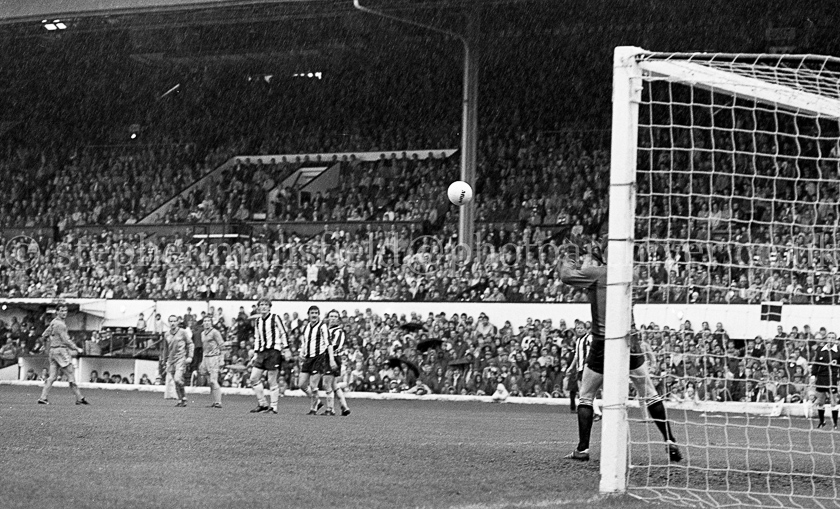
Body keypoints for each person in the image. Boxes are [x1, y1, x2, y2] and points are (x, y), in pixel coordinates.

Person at [559, 241, 681, 462]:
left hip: (603, 340)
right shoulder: (629, 273)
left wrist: (571, 254)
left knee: (586, 395)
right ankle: (669, 440)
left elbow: (566, 275)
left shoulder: (597, 273)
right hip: (629, 340)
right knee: (649, 391)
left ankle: (583, 449)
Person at [38, 304, 89, 405]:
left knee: (52, 376)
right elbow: (65, 340)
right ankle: (79, 398)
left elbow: (44, 335)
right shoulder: (61, 325)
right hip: (60, 351)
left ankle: (43, 397)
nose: (64, 313)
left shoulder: (53, 322)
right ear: (57, 312)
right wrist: (76, 348)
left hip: (52, 351)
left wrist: (43, 345)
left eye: (65, 311)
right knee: (70, 374)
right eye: (61, 311)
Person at [248, 299, 290, 415]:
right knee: (253, 378)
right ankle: (262, 404)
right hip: (262, 352)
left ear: (270, 307)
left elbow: (283, 332)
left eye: (266, 305)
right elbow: (257, 337)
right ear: (258, 307)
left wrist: (286, 348)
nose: (264, 307)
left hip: (274, 351)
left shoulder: (275, 318)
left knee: (271, 380)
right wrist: (255, 354)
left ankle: (273, 407)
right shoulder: (258, 321)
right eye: (262, 305)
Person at [299, 306, 337, 415]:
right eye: (312, 313)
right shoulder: (306, 327)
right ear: (308, 314)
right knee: (301, 384)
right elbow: (305, 342)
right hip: (308, 358)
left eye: (316, 313)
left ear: (318, 315)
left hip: (318, 358)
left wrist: (331, 359)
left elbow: (329, 343)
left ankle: (313, 409)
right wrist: (302, 353)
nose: (314, 315)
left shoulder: (322, 326)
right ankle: (318, 402)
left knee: (313, 385)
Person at [566, 321, 602, 420]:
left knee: (586, 391)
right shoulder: (578, 340)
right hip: (580, 369)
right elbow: (576, 356)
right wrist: (571, 367)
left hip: (587, 368)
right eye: (578, 328)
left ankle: (596, 412)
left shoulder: (589, 338)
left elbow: (593, 351)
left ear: (586, 329)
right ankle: (592, 411)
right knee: (583, 392)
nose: (579, 330)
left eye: (581, 328)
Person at [318, 310, 351, 416]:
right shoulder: (327, 330)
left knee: (326, 383)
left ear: (338, 319)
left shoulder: (338, 331)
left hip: (333, 357)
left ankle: (330, 409)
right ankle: (344, 406)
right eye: (331, 316)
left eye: (335, 316)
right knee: (333, 384)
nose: (332, 318)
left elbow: (334, 345)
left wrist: (323, 350)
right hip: (327, 357)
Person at [161, 315, 194, 407]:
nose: (172, 323)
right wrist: (164, 360)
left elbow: (190, 344)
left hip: (180, 359)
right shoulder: (166, 334)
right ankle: (181, 400)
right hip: (171, 360)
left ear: (177, 322)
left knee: (177, 379)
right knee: (175, 381)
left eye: (174, 321)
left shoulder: (183, 332)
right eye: (171, 321)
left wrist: (190, 356)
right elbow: (166, 348)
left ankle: (184, 396)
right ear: (168, 323)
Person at [810, 331, 840, 429]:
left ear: (835, 340)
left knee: (833, 402)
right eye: (829, 337)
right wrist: (813, 375)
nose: (830, 339)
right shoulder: (820, 349)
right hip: (821, 378)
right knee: (820, 401)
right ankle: (822, 421)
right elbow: (816, 363)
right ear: (826, 339)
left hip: (832, 379)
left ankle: (835, 423)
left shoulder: (838, 350)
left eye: (833, 337)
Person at [199, 316, 224, 409]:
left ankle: (219, 402)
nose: (207, 322)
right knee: (209, 381)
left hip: (214, 357)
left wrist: (222, 359)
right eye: (205, 321)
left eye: (208, 321)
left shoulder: (215, 332)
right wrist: (203, 361)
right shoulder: (202, 333)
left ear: (211, 322)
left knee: (213, 380)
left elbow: (222, 345)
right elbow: (204, 348)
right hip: (206, 358)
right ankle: (215, 401)